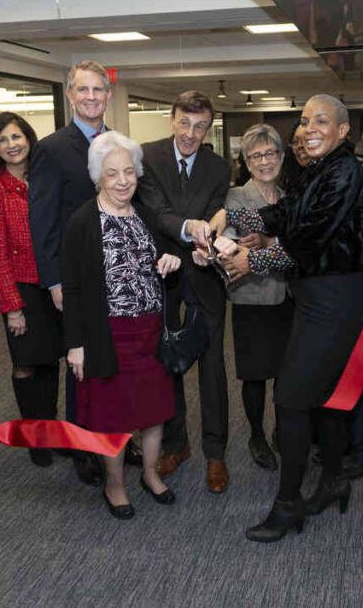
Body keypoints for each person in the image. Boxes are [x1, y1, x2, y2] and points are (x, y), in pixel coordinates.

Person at [215, 94, 363, 543]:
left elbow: (306, 238)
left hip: (335, 299)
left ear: (343, 131)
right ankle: (333, 480)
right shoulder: (318, 171)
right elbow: (284, 214)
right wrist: (233, 214)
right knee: (323, 396)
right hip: (319, 296)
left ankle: (288, 505)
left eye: (320, 121)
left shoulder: (343, 172)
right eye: (303, 122)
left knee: (289, 399)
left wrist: (253, 263)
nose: (308, 129)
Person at [61, 131, 182, 519]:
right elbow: (74, 289)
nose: (122, 181)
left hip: (149, 334)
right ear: (98, 177)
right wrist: (75, 344)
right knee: (113, 417)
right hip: (107, 336)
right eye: (112, 173)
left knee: (154, 410)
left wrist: (171, 259)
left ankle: (149, 473)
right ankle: (114, 484)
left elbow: (165, 252)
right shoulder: (83, 221)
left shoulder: (144, 212)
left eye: (128, 172)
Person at [137, 90, 232, 493]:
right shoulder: (147, 157)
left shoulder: (219, 166)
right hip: (163, 275)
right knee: (167, 364)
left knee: (212, 368)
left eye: (200, 126)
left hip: (205, 274)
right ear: (171, 119)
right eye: (184, 123)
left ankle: (216, 454)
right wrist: (188, 227)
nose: (191, 134)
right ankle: (177, 444)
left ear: (208, 127)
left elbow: (216, 211)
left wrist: (205, 232)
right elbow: (156, 211)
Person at [28, 60, 111, 486]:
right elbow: (41, 221)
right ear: (70, 95)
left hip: (116, 272)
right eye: (84, 90)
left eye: (98, 90)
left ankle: (114, 439)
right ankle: (83, 447)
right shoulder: (51, 148)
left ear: (108, 95)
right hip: (74, 276)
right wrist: (54, 281)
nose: (91, 97)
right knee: (80, 362)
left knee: (115, 359)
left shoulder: (117, 143)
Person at [0, 112, 62, 468]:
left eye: (17, 137)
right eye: (3, 140)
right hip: (22, 289)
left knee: (51, 361)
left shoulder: (45, 179)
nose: (12, 145)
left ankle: (51, 429)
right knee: (25, 364)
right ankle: (34, 437)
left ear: (29, 138)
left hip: (53, 283)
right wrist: (12, 307)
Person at [223, 124, 293, 471]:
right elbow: (231, 246)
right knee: (254, 374)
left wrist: (269, 243)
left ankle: (282, 429)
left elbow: (299, 244)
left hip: (290, 298)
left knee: (286, 370)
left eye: (270, 153)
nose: (265, 161)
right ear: (247, 162)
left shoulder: (289, 195)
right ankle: (256, 434)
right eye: (256, 156)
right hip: (251, 297)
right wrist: (241, 249)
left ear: (281, 156)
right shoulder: (236, 198)